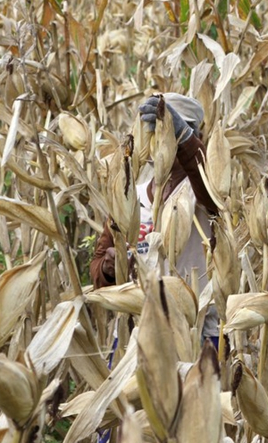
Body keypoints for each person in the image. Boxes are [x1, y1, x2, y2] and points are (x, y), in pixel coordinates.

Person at [90, 92, 220, 344]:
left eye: (168, 131)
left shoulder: (204, 193)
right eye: (155, 132)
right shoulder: (132, 196)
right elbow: (98, 268)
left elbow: (213, 187)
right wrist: (108, 268)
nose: (161, 140)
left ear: (195, 138)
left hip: (196, 334)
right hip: (135, 335)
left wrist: (184, 139)